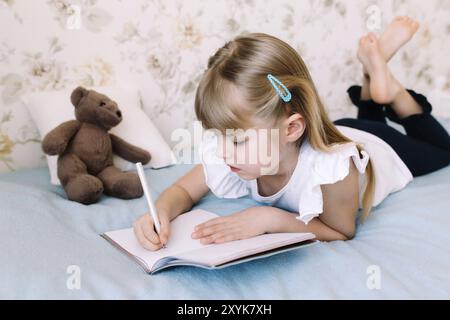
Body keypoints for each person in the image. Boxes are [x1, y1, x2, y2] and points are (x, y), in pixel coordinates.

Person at [133, 17, 450, 250]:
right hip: (343, 128)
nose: (224, 151)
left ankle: (392, 91)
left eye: (239, 139)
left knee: (441, 148)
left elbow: (341, 231)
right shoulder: (233, 155)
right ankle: (372, 71)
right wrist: (160, 212)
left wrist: (269, 219)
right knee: (368, 117)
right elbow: (183, 191)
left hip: (383, 146)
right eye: (219, 135)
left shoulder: (334, 171)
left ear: (292, 129)